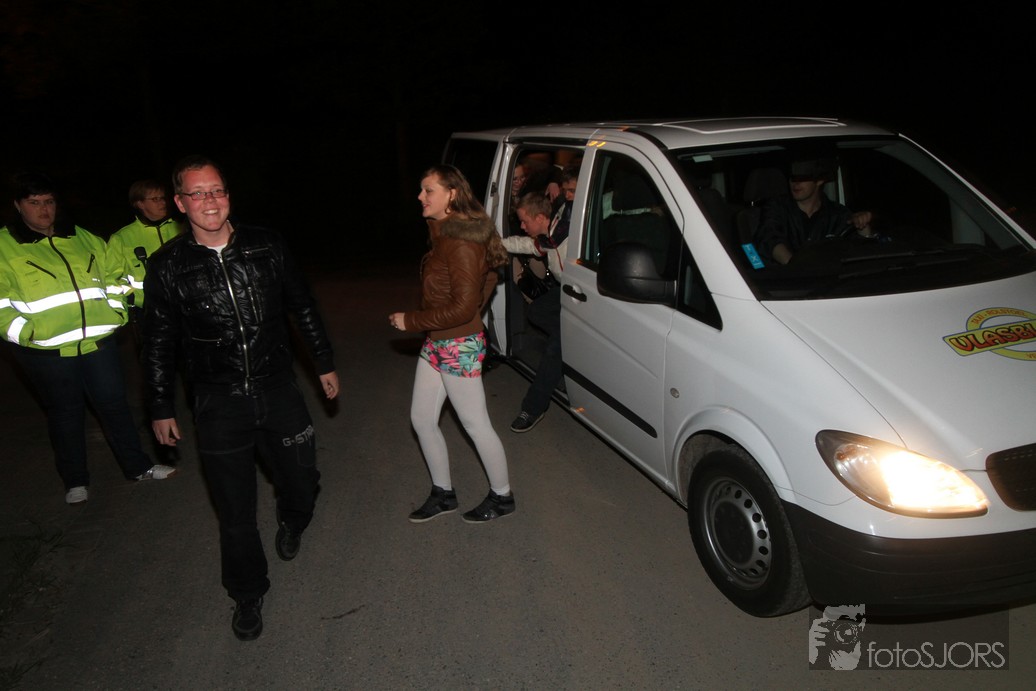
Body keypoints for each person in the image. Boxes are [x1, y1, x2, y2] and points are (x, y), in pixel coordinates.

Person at [143, 155, 339, 642]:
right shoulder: (168, 266)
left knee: (302, 478)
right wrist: (160, 405)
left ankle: (293, 519)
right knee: (234, 509)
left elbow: (301, 304)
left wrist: (323, 360)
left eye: (216, 190)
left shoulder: (266, 245)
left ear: (227, 195)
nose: (209, 201)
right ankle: (247, 592)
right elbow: (158, 342)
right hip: (218, 401)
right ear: (180, 203)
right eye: (197, 193)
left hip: (277, 387)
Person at [0, 172, 176, 505]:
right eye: (34, 202)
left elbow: (115, 276)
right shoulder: (4, 246)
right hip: (47, 351)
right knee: (65, 414)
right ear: (18, 206)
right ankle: (75, 480)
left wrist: (117, 312)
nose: (44, 209)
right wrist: (26, 333)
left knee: (115, 405)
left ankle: (138, 467)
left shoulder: (82, 237)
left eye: (49, 201)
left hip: (98, 342)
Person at [388, 164, 514, 524]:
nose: (420, 197)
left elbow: (463, 306)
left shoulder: (460, 241)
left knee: (475, 424)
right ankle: (443, 494)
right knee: (422, 419)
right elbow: (489, 276)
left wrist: (411, 321)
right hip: (439, 340)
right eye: (421, 190)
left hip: (458, 343)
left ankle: (502, 496)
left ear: (452, 194)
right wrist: (468, 310)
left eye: (428, 190)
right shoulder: (445, 232)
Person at [503, 164, 578, 433]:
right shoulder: (552, 232)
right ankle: (567, 342)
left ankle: (533, 408)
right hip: (565, 290)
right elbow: (528, 245)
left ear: (540, 217)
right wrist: (496, 243)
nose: (522, 226)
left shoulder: (570, 229)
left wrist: (558, 182)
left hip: (581, 294)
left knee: (554, 350)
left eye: (525, 221)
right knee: (536, 312)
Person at [753, 158, 874, 265]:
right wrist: (795, 265)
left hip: (828, 280)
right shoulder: (777, 207)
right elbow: (769, 238)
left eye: (802, 178)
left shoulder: (838, 214)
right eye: (792, 177)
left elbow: (859, 251)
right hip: (782, 280)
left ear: (819, 180)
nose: (795, 183)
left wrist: (863, 226)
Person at [107, 179, 183, 328]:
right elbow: (113, 278)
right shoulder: (122, 238)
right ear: (140, 204)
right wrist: (136, 299)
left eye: (163, 198)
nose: (162, 203)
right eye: (155, 199)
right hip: (148, 314)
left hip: (187, 308)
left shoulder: (181, 229)